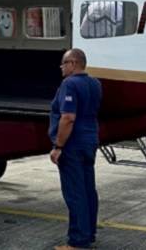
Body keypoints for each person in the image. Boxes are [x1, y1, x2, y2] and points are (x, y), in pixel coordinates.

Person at [49, 48, 102, 250]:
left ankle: (78, 241)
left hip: (72, 144)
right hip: (90, 141)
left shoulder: (69, 84)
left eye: (63, 63)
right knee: (88, 189)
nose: (61, 67)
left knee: (74, 192)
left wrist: (58, 146)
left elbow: (68, 117)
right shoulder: (95, 83)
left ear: (72, 63)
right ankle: (89, 232)